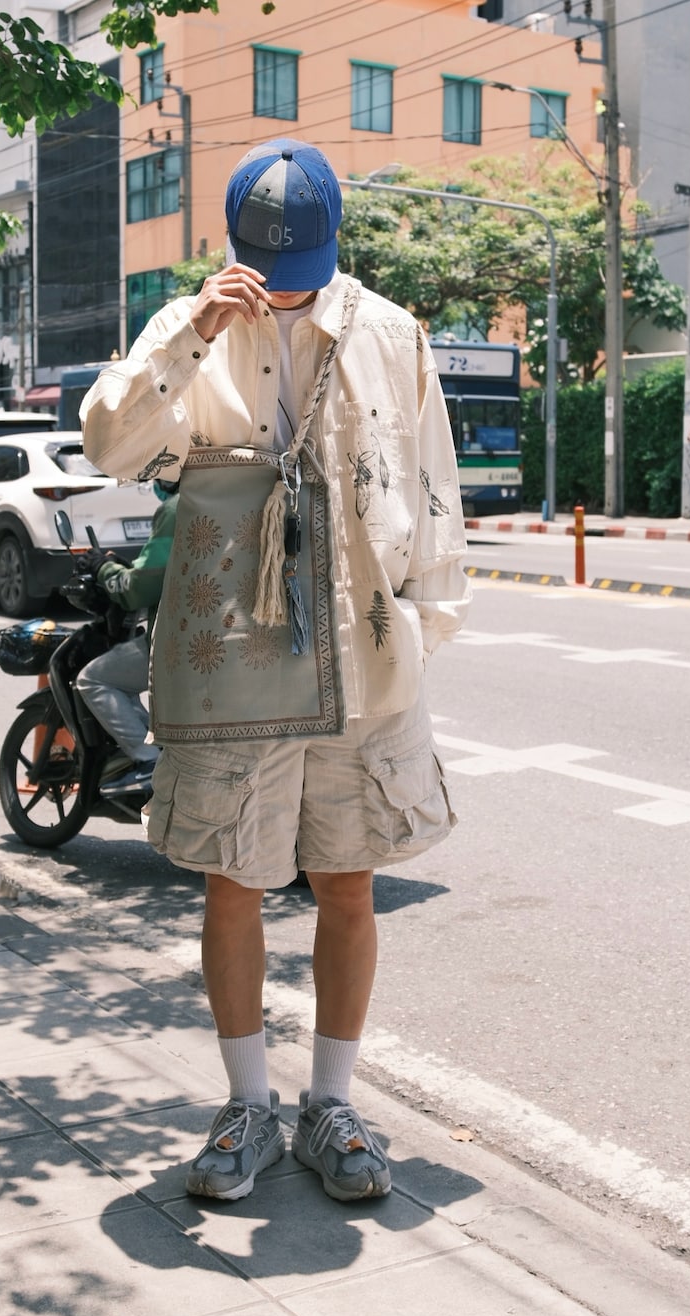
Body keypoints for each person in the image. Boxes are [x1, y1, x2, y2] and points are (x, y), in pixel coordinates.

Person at [81, 138, 471, 1204]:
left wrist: (421, 625)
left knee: (349, 878)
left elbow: (431, 478)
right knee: (233, 878)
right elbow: (111, 446)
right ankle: (247, 1102)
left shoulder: (390, 331)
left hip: (361, 642)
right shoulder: (191, 322)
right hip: (234, 641)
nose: (285, 284)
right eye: (268, 264)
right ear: (235, 246)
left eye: (301, 265)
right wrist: (193, 332)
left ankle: (329, 1102)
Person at [74, 479, 178, 798]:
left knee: (93, 679)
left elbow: (137, 589)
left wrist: (103, 569)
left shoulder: (176, 509)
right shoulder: (231, 498)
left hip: (180, 640)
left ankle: (150, 761)